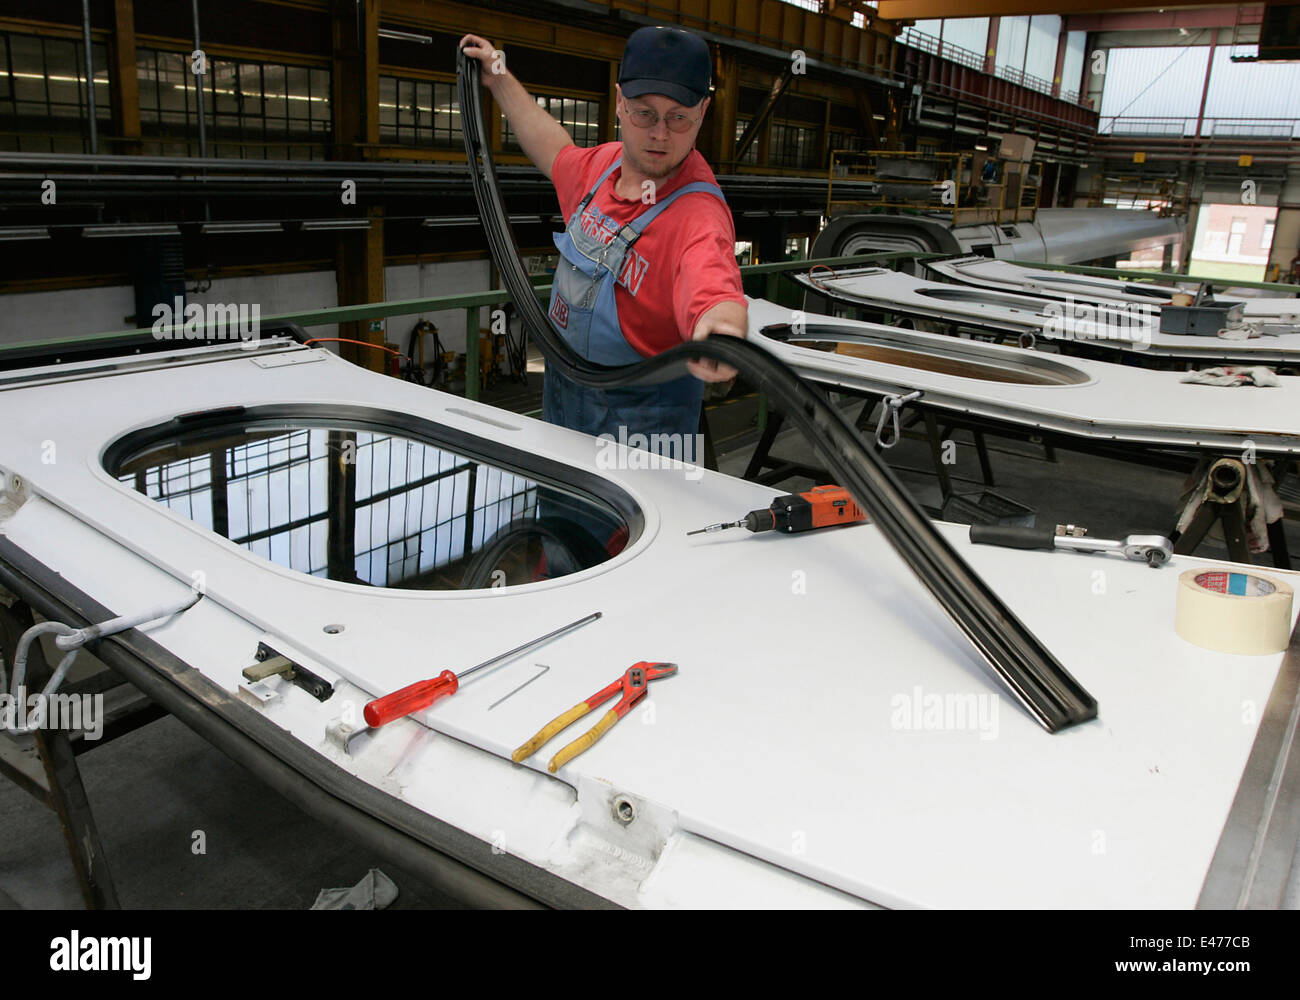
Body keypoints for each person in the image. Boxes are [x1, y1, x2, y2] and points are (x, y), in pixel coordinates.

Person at [460, 25, 748, 451]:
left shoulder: (699, 215)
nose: (660, 134)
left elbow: (714, 287)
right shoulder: (601, 168)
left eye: (679, 117)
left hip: (644, 430)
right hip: (563, 394)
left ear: (703, 112)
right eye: (644, 113)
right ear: (618, 102)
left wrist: (723, 333)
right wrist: (498, 78)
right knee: (559, 514)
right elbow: (554, 148)